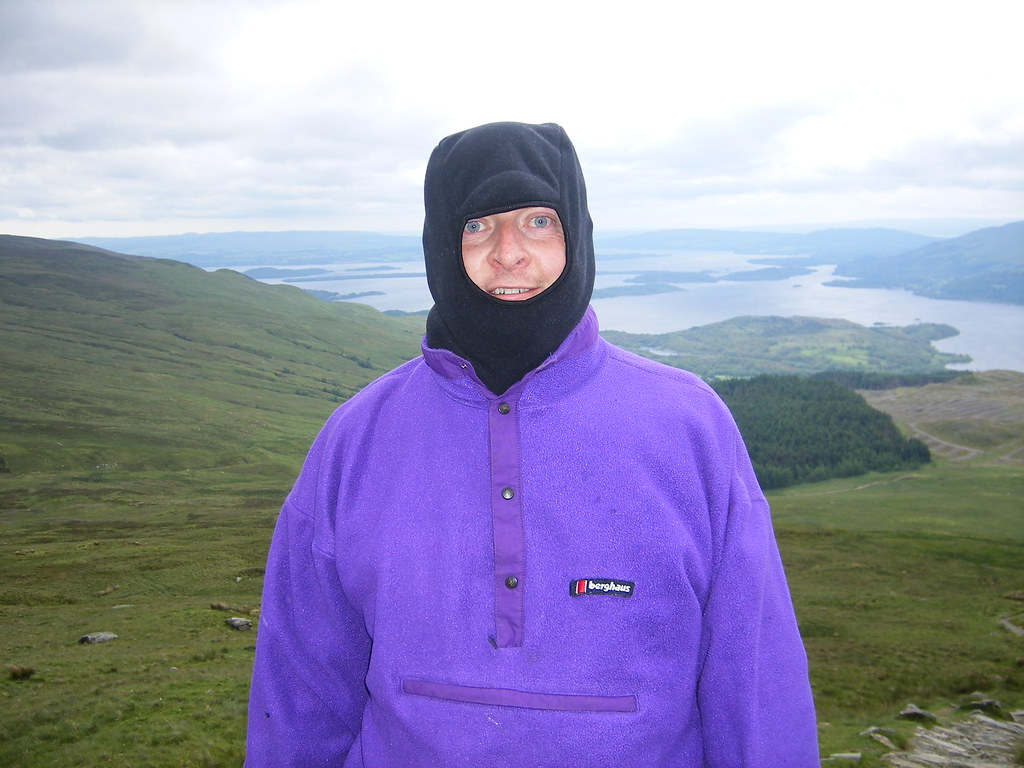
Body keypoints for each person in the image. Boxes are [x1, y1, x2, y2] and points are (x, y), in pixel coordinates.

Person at [244, 121, 819, 767]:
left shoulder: (689, 426)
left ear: (577, 232)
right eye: (476, 225)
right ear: (439, 242)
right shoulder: (356, 439)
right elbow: (298, 693)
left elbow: (755, 683)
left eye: (538, 222)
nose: (508, 252)